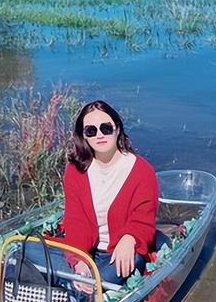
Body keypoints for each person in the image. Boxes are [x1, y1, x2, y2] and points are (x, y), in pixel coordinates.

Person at [60, 100, 159, 289]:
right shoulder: (75, 170)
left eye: (106, 128)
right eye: (91, 131)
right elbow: (75, 220)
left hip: (120, 252)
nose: (99, 135)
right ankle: (71, 288)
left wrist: (130, 237)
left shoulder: (142, 171)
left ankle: (78, 294)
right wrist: (80, 261)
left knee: (99, 284)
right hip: (89, 251)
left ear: (117, 129)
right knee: (22, 251)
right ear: (84, 136)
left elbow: (144, 219)